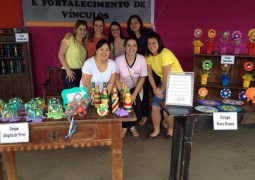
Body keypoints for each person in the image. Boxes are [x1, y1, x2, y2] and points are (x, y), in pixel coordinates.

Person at [146, 32, 183, 139]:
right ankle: (156, 130)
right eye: (149, 43)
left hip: (177, 83)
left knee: (167, 110)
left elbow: (166, 76)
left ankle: (170, 129)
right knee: (155, 107)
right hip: (164, 83)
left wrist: (160, 90)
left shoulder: (165, 54)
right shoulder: (148, 56)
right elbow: (149, 74)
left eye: (154, 43)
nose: (151, 46)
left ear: (159, 43)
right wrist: (154, 89)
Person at [115, 37, 147, 138]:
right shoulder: (119, 60)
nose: (131, 48)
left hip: (134, 88)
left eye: (134, 45)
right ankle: (124, 127)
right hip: (121, 87)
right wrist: (123, 93)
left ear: (137, 48)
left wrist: (133, 95)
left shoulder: (141, 59)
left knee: (134, 107)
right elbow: (116, 78)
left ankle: (132, 127)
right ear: (125, 47)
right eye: (128, 45)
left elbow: (142, 78)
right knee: (122, 108)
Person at [58, 20, 88, 89]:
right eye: (80, 29)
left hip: (80, 72)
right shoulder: (69, 39)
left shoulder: (84, 44)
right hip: (70, 71)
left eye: (84, 29)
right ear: (76, 30)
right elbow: (60, 55)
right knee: (72, 96)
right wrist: (68, 70)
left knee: (79, 96)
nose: (82, 32)